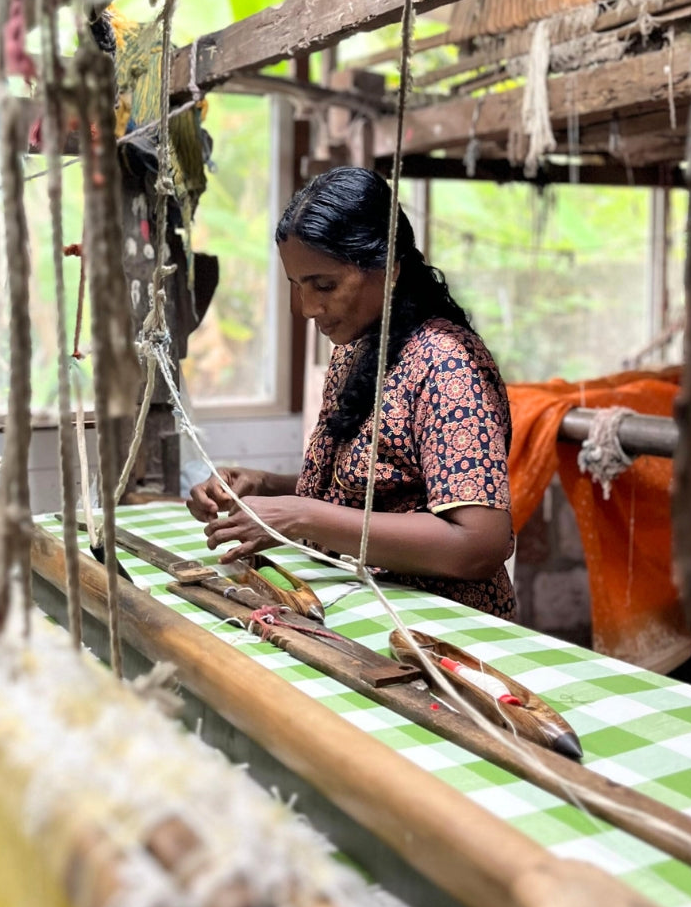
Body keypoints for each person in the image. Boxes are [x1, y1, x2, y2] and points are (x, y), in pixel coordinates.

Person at [187, 166, 516, 619]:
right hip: (367, 605)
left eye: (324, 285)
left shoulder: (447, 365)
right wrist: (265, 486)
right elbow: (370, 492)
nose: (305, 308)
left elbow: (479, 544)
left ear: (390, 269)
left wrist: (302, 516)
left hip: (444, 626)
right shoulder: (359, 348)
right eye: (295, 285)